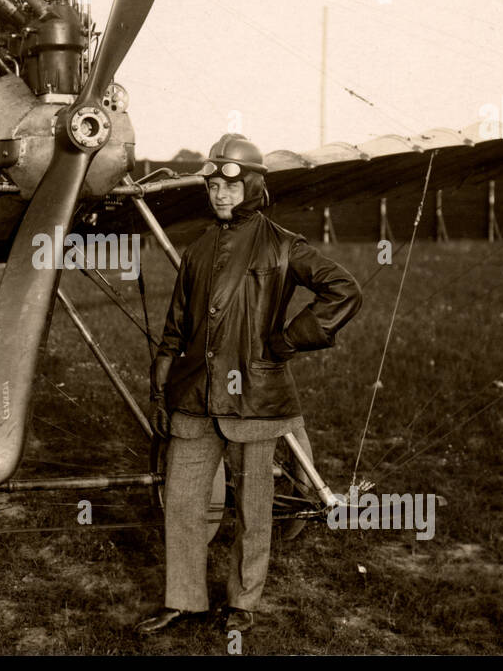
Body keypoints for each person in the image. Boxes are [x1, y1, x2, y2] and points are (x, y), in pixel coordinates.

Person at [135, 134, 363, 635]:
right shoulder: (196, 250)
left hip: (257, 401)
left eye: (230, 186)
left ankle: (243, 603)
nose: (220, 194)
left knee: (254, 510)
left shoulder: (283, 244)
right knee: (183, 500)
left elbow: (343, 289)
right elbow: (177, 325)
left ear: (254, 187)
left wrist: (286, 341)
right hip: (194, 399)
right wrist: (162, 377)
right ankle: (184, 600)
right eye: (213, 184)